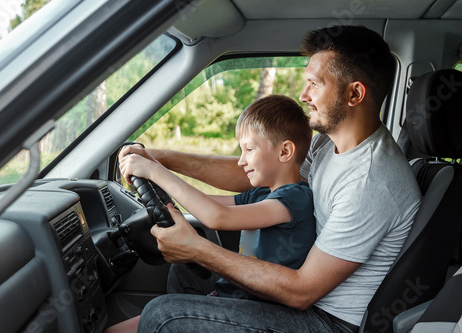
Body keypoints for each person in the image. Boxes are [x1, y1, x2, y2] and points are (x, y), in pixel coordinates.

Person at [116, 25, 422, 333]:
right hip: (303, 303)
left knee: (162, 315)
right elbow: (256, 175)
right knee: (185, 275)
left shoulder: (370, 182)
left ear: (354, 93)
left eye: (314, 84)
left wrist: (197, 249)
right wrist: (163, 159)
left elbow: (302, 291)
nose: (303, 95)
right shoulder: (327, 144)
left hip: (324, 321)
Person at [108, 95, 316, 333]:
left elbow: (218, 216)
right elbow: (203, 203)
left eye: (249, 149)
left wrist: (155, 172)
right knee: (182, 270)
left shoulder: (295, 198)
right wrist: (158, 180)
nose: (241, 160)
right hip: (238, 294)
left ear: (285, 151)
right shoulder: (260, 194)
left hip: (262, 310)